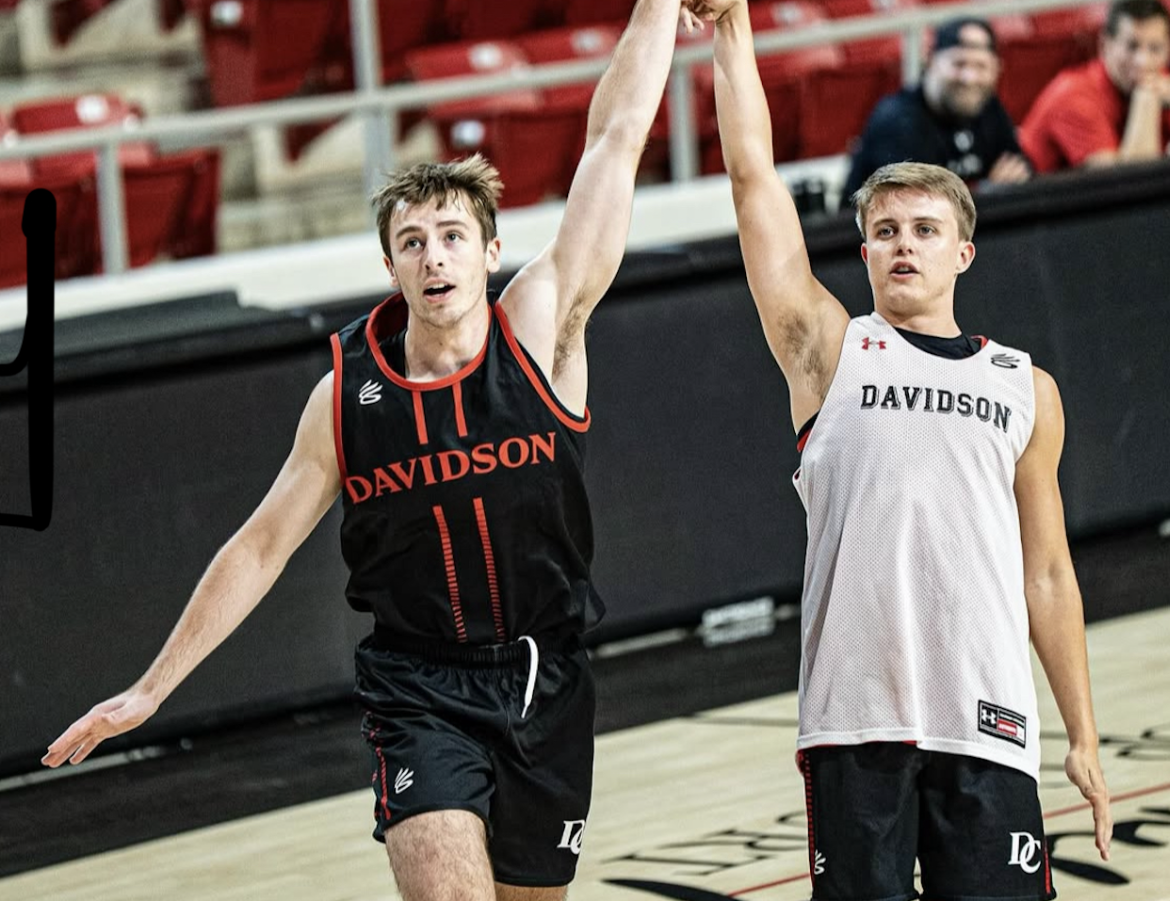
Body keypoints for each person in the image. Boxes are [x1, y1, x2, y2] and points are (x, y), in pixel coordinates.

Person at [40, 1, 689, 898]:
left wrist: (658, 5)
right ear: (391, 267)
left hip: (547, 668)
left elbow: (613, 140)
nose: (435, 258)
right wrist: (151, 688)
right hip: (420, 683)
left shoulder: (541, 327)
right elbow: (261, 544)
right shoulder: (347, 394)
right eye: (412, 243)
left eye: (453, 237)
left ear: (491, 250)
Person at [687, 1, 1114, 899]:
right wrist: (733, 28)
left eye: (923, 230)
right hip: (857, 724)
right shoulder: (829, 350)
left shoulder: (1024, 387)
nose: (903, 246)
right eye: (885, 231)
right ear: (865, 250)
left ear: (964, 249)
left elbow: (1047, 573)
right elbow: (753, 181)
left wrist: (1080, 731)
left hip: (988, 723)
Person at [840, 16, 1030, 207]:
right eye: (959, 64)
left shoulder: (987, 106)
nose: (969, 78)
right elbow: (917, 209)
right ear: (931, 61)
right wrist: (985, 192)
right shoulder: (897, 121)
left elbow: (1019, 169)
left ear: (997, 69)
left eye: (981, 66)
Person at [1020, 0, 1170, 173]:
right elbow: (1132, 185)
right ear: (1105, 45)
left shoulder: (1159, 82)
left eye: (1155, 48)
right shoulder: (1074, 96)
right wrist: (1146, 101)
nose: (1143, 62)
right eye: (1132, 46)